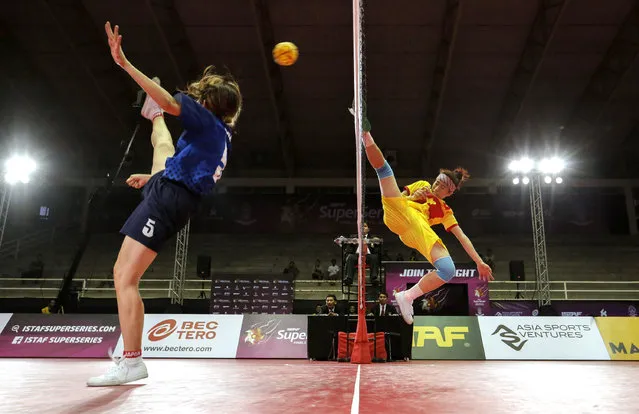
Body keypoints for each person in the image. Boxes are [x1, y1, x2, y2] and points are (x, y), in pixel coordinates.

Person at [88, 22, 242, 387]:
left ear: (207, 104)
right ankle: (152, 119)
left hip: (169, 198)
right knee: (163, 148)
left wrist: (124, 63)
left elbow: (171, 101)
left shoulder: (205, 120)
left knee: (124, 277)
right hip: (172, 190)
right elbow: (185, 166)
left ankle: (131, 361)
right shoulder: (221, 135)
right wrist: (153, 178)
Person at [355, 111, 492, 325]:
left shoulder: (445, 210)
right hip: (400, 212)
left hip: (416, 231)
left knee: (448, 270)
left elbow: (462, 237)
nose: (437, 187)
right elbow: (399, 197)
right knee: (384, 170)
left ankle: (407, 296)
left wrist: (479, 262)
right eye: (438, 182)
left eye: (444, 187)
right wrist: (411, 196)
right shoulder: (422, 185)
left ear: (450, 192)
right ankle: (365, 133)